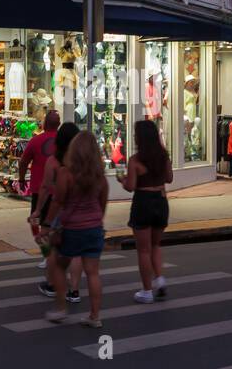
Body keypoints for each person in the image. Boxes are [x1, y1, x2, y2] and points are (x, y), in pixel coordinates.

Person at [42, 133, 109, 327]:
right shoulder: (100, 177)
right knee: (93, 273)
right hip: (94, 228)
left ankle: (62, 309)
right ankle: (95, 316)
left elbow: (58, 201)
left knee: (59, 265)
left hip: (71, 228)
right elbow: (102, 203)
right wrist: (97, 221)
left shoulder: (66, 173)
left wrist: (47, 225)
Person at [117, 119, 173, 303]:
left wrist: (122, 180)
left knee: (143, 250)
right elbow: (169, 178)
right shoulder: (163, 156)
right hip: (161, 201)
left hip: (143, 202)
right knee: (156, 245)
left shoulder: (135, 160)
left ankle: (147, 291)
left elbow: (131, 187)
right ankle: (160, 279)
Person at [35, 123, 83, 302]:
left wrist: (39, 211)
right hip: (79, 210)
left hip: (60, 210)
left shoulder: (54, 161)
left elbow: (46, 188)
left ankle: (52, 284)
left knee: (55, 248)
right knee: (77, 251)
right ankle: (75, 290)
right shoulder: (83, 162)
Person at [19, 110, 59, 266]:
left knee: (36, 223)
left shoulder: (35, 141)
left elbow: (23, 162)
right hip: (60, 190)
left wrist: (22, 179)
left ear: (43, 124)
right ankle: (53, 253)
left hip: (39, 190)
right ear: (59, 124)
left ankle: (47, 254)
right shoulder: (65, 142)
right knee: (54, 224)